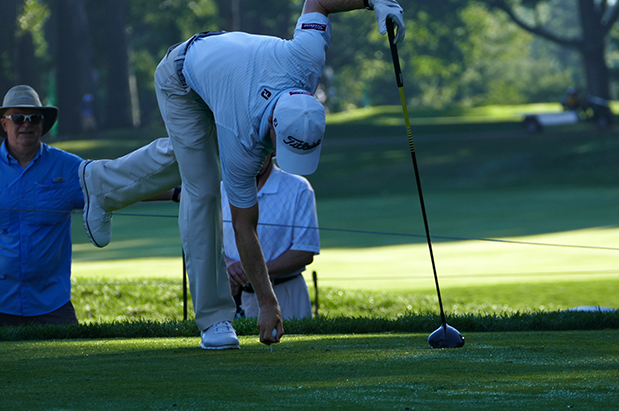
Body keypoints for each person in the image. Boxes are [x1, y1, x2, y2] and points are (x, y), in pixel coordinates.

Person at [78, 0, 405, 348]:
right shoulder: (241, 139)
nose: (278, 156)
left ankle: (101, 183)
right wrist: (267, 302)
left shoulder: (307, 61)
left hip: (223, 71)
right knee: (202, 189)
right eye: (282, 146)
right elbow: (243, 225)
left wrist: (372, 1)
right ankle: (215, 319)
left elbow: (319, 2)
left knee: (192, 155)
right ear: (273, 127)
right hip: (181, 76)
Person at [0, 85, 84, 327]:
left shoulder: (68, 167)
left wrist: (173, 193)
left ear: (42, 123)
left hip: (50, 302)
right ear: (4, 124)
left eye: (34, 118)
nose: (26, 124)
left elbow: (112, 186)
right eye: (18, 118)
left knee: (68, 364)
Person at [223, 154, 319, 320]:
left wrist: (252, 271)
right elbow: (210, 243)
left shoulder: (298, 188)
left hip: (286, 294)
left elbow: (304, 251)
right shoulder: (223, 189)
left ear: (271, 152)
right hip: (234, 296)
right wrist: (229, 264)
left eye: (258, 149)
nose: (252, 156)